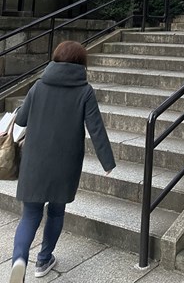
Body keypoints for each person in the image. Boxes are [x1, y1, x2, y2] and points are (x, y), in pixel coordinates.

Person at [9, 40, 116, 283]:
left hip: (35, 161)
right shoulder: (85, 91)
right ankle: (43, 260)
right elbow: (96, 129)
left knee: (30, 214)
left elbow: (22, 120)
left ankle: (19, 260)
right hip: (65, 164)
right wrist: (107, 162)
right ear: (81, 63)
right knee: (56, 212)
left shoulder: (38, 86)